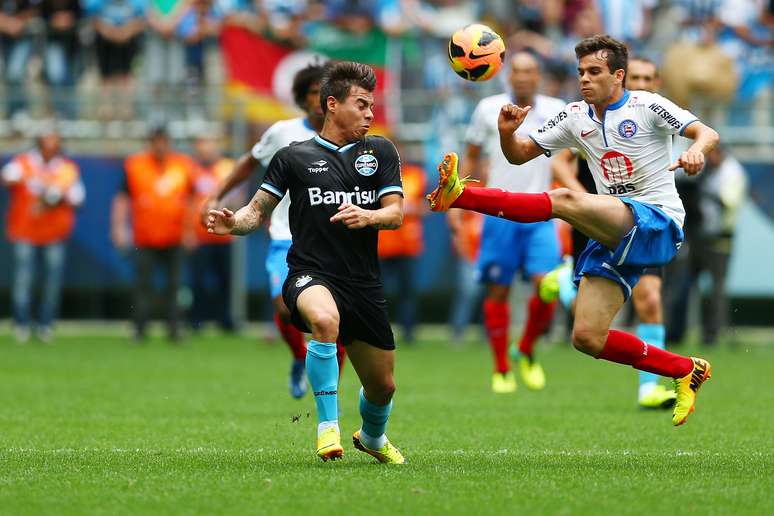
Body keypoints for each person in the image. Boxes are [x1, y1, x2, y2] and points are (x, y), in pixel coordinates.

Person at [427, 35, 718, 427]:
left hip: (657, 221)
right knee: (587, 337)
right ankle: (685, 369)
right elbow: (518, 155)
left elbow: (707, 133)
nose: (584, 78)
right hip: (618, 232)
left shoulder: (647, 105)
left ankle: (459, 195)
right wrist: (506, 133)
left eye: (594, 71)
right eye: (580, 71)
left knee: (562, 199)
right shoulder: (574, 115)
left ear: (619, 76)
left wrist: (696, 150)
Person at [208, 61, 406, 463]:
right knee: (324, 321)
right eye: (362, 104)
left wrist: (369, 216)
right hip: (309, 273)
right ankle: (327, 427)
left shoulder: (381, 151)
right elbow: (256, 212)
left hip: (363, 283)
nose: (370, 114)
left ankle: (371, 436)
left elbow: (396, 214)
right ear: (332, 105)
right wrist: (234, 223)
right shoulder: (292, 157)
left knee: (383, 386)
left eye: (372, 106)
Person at [205, 62, 347, 400]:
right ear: (302, 98)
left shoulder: (350, 136)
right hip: (286, 238)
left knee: (335, 321)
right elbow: (249, 162)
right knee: (286, 307)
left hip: (335, 241)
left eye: (325, 92)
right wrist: (216, 195)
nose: (320, 98)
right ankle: (300, 357)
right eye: (313, 92)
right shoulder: (283, 133)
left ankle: (328, 393)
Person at [541, 57, 677, 409]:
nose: (643, 83)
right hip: (598, 219)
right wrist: (582, 200)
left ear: (657, 81)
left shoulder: (655, 116)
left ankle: (650, 387)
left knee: (649, 300)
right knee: (585, 320)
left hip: (645, 224)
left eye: (649, 77)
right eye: (637, 77)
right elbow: (559, 161)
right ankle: (563, 286)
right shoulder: (590, 115)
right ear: (621, 79)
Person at [458, 51, 565, 394]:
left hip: (541, 210)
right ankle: (501, 367)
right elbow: (472, 154)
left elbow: (567, 160)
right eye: (516, 71)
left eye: (529, 71)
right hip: (499, 213)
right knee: (498, 290)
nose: (522, 77)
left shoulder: (556, 108)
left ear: (539, 76)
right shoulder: (488, 109)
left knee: (549, 286)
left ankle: (527, 349)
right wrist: (462, 201)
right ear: (506, 75)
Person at [111, 125, 195, 342]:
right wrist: (119, 227)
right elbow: (122, 198)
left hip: (174, 235)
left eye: (163, 140)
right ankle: (139, 329)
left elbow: (192, 200)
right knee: (143, 285)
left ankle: (175, 329)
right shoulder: (135, 165)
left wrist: (191, 230)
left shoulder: (183, 164)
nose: (160, 145)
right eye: (156, 141)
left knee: (175, 285)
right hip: (145, 236)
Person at [1, 127, 85, 343]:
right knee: (23, 279)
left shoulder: (66, 169)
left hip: (53, 233)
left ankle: (45, 324)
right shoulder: (24, 162)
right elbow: (7, 177)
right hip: (25, 230)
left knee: (51, 282)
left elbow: (78, 198)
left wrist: (54, 198)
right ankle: (21, 323)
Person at [665, 145, 748, 347]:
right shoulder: (710, 170)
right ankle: (676, 332)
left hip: (719, 238)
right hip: (698, 236)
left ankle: (713, 335)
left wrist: (701, 191)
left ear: (719, 153)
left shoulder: (732, 172)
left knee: (717, 288)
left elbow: (727, 201)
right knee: (684, 283)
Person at [189, 133, 237, 332]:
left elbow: (238, 195)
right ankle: (196, 319)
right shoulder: (191, 170)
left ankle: (224, 319)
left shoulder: (228, 167)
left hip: (223, 235)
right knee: (198, 280)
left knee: (225, 280)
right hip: (199, 234)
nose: (206, 149)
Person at [377, 157, 427, 344]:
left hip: (408, 242)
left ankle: (408, 332)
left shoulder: (417, 175)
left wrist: (411, 208)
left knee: (407, 291)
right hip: (383, 242)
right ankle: (379, 330)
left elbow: (429, 204)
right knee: (377, 291)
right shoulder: (378, 175)